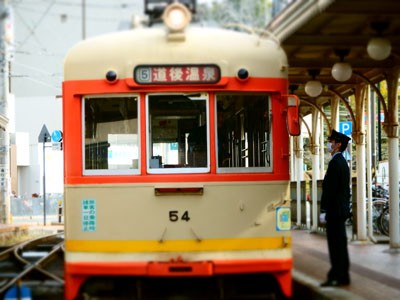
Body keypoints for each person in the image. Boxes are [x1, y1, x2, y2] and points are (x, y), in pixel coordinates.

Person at [319, 129, 351, 287]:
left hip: (334, 210)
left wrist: (323, 210)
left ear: (338, 145)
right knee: (340, 243)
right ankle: (342, 275)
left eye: (332, 142)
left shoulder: (335, 163)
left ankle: (337, 276)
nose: (329, 144)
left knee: (335, 244)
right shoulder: (342, 162)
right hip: (341, 210)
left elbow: (330, 189)